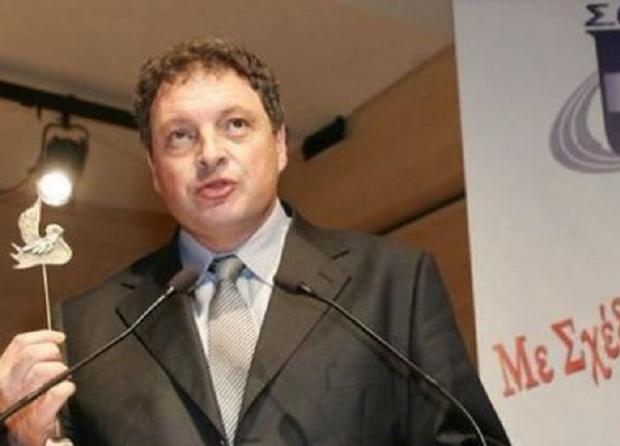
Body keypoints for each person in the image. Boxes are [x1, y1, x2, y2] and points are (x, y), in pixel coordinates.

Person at [0, 38, 510, 445]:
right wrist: (22, 438)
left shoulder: (392, 283)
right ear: (154, 171)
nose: (210, 154)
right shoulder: (87, 330)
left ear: (280, 144)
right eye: (180, 136)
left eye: (236, 125)